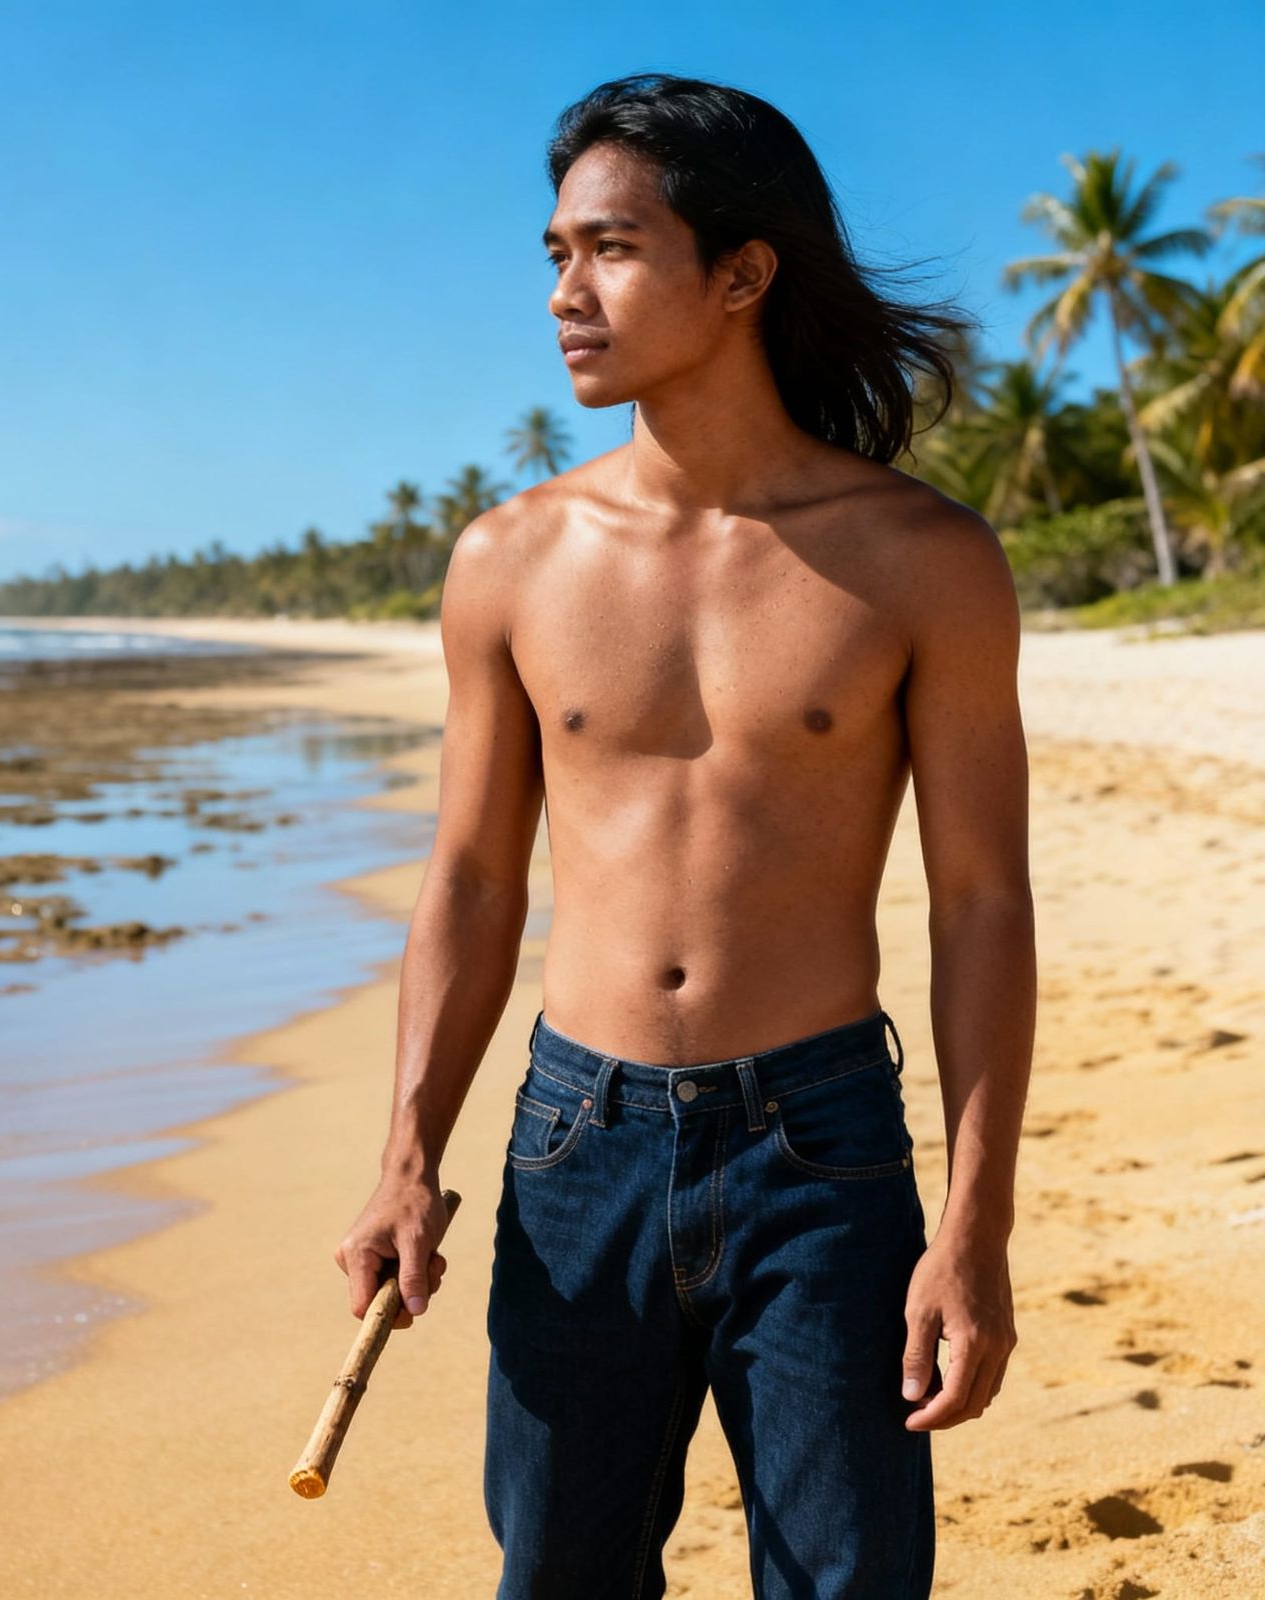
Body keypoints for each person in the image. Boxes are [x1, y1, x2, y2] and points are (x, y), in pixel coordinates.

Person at [333, 71, 1033, 1600]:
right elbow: (467, 876)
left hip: (823, 1152)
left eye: (610, 250)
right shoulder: (509, 560)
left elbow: (982, 904)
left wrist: (973, 1232)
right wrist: (407, 1159)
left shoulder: (923, 562)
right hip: (577, 1142)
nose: (564, 295)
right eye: (553, 255)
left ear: (742, 273)